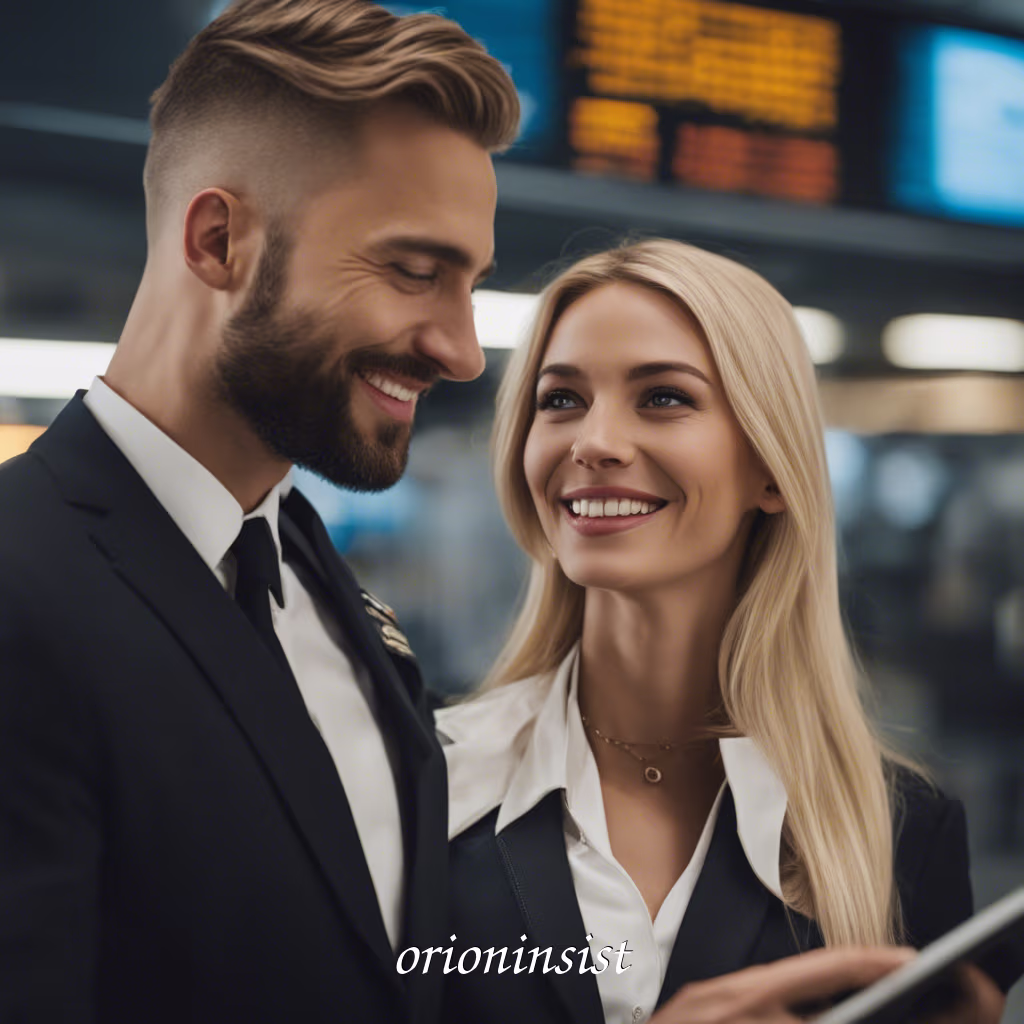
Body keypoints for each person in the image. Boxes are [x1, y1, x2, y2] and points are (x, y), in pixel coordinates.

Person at [0, 1, 518, 1021]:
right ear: (217, 239)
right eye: (415, 272)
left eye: (471, 286)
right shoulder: (18, 591)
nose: (461, 350)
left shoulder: (322, 585)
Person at [436, 240, 1017, 1023]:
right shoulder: (422, 782)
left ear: (771, 469)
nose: (594, 441)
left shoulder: (898, 833)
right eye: (562, 400)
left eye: (664, 398)